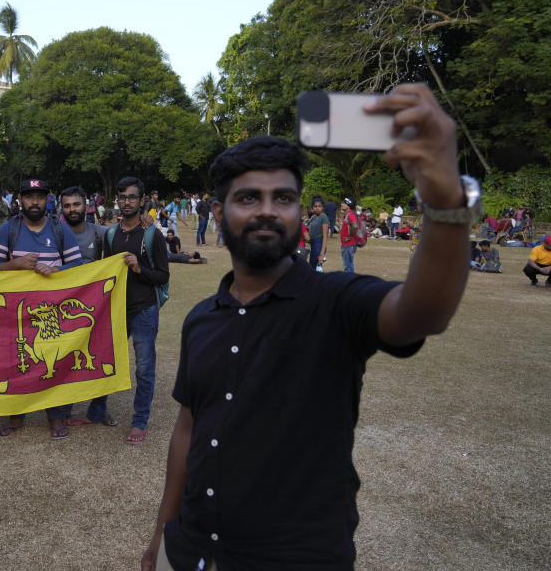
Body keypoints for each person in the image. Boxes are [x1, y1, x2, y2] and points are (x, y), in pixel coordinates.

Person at [142, 84, 478, 570]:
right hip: (192, 550)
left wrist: (446, 202)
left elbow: (422, 314)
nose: (266, 209)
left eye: (283, 197)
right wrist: (163, 534)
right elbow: (187, 430)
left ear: (301, 211)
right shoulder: (201, 320)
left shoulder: (337, 301)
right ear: (218, 213)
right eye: (248, 197)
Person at [0, 178, 83, 440]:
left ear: (48, 200)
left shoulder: (59, 229)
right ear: (20, 199)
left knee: (51, 362)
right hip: (15, 312)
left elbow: (78, 266)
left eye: (40, 197)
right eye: (29, 197)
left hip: (50, 310)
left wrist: (56, 269)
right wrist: (15, 264)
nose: (34, 202)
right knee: (16, 360)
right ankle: (16, 416)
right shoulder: (8, 229)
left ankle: (54, 416)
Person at [103, 176, 170, 445]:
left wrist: (139, 267)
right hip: (116, 311)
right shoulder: (110, 234)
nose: (126, 202)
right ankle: (97, 411)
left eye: (132, 197)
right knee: (106, 362)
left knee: (144, 368)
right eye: (122, 197)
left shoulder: (152, 234)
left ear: (142, 200)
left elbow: (163, 276)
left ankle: (140, 421)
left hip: (144, 310)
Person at [58, 186, 120, 429]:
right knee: (65, 357)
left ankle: (98, 410)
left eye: (76, 204)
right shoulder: (55, 232)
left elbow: (128, 238)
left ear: (86, 206)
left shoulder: (101, 233)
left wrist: (146, 223)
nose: (72, 209)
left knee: (101, 355)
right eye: (67, 205)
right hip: (64, 308)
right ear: (61, 208)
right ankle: (61, 410)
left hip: (96, 308)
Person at [308, 196, 330, 270]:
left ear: (323, 207)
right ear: (312, 207)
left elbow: (325, 236)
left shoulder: (324, 217)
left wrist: (322, 254)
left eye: (319, 206)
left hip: (319, 244)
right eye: (315, 206)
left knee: (313, 268)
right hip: (313, 244)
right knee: (312, 266)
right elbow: (310, 231)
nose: (317, 208)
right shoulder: (313, 217)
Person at [339, 197, 360, 273]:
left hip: (348, 244)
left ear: (348, 205)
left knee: (348, 267)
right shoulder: (348, 214)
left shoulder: (350, 215)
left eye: (344, 203)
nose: (341, 204)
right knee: (348, 265)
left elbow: (355, 226)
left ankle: (350, 283)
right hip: (347, 244)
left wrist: (350, 237)